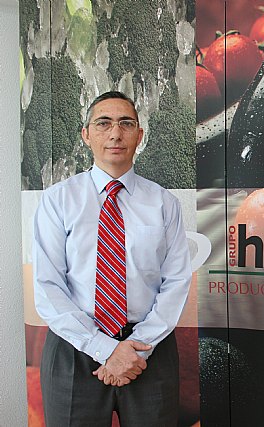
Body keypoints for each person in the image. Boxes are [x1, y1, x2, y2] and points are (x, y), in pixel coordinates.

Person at [32, 91, 192, 426]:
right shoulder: (57, 201)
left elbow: (176, 282)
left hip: (148, 350)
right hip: (75, 347)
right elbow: (48, 287)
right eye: (103, 123)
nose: (115, 133)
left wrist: (135, 348)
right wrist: (105, 350)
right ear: (86, 135)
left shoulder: (164, 203)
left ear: (139, 136)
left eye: (126, 124)